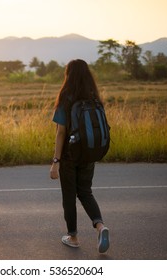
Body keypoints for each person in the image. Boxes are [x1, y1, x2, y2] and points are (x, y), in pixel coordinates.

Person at [49, 59, 109, 254]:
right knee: (85, 192)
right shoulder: (94, 97)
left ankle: (73, 237)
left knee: (69, 196)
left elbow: (60, 133)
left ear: (69, 74)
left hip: (69, 156)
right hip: (88, 153)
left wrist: (55, 161)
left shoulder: (66, 97)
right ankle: (100, 226)